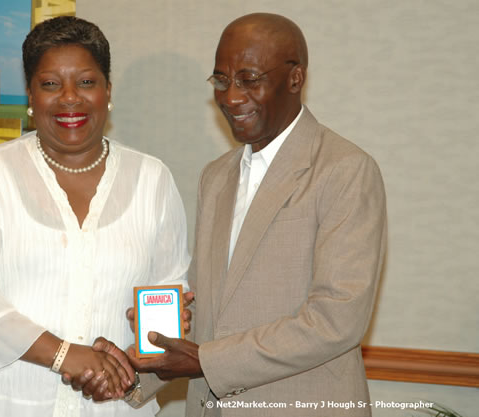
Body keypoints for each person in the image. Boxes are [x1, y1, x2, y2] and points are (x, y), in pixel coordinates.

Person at [0, 16, 189, 417]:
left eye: (87, 82)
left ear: (108, 90)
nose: (70, 98)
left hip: (109, 405)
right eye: (50, 84)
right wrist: (63, 355)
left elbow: (169, 288)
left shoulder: (152, 179)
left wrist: (149, 344)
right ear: (30, 94)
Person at [125, 13, 387, 417]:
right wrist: (146, 351)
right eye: (221, 80)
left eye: (248, 79)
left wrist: (207, 361)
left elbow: (337, 319)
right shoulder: (215, 176)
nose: (231, 97)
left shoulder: (345, 169)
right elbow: (212, 309)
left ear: (295, 79)